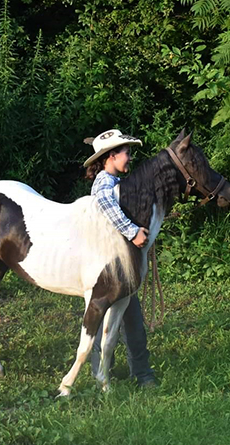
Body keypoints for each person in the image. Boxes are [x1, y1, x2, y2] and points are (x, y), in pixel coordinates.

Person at [83, 128, 159, 388]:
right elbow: (105, 203)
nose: (129, 158)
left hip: (121, 266)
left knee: (130, 323)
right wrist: (132, 231)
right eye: (126, 153)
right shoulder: (105, 183)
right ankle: (119, 371)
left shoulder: (118, 183)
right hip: (109, 267)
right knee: (110, 321)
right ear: (111, 157)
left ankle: (134, 371)